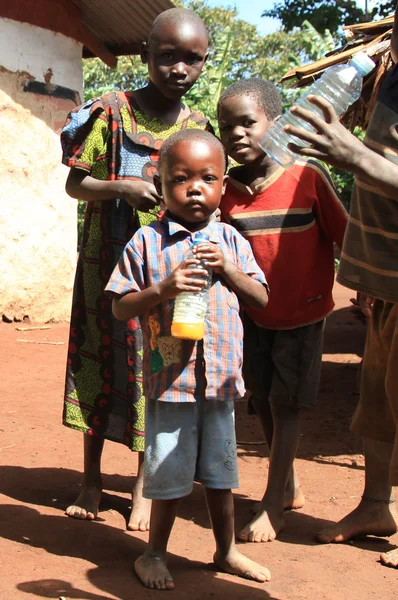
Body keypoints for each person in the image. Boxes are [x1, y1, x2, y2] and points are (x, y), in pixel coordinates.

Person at [61, 7, 212, 530]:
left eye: (192, 60)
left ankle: (145, 487)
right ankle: (92, 478)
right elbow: (75, 183)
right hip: (107, 265)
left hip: (167, 277)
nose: (178, 69)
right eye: (167, 56)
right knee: (101, 361)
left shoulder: (197, 129)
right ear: (147, 55)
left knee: (159, 370)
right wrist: (119, 187)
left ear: (203, 64)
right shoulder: (110, 111)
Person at [106, 129, 271, 589]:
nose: (195, 188)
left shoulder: (232, 242)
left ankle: (226, 551)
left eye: (208, 178)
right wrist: (164, 288)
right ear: (159, 185)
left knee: (221, 474)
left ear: (223, 186)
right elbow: (120, 305)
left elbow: (259, 298)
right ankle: (153, 554)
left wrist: (229, 268)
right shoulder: (145, 242)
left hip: (218, 383)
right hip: (170, 383)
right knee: (169, 475)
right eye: (180, 179)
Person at [283, 0, 398, 570]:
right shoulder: (392, 78)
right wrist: (368, 275)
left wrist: (353, 155)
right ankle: (376, 505)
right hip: (389, 282)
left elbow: (375, 167)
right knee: (377, 406)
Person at [217, 78, 348, 543]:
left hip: (303, 313)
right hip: (253, 316)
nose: (236, 134)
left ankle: (273, 506)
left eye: (247, 122)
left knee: (287, 405)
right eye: (226, 125)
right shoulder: (226, 194)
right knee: (264, 400)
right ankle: (286, 482)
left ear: (274, 122)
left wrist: (368, 288)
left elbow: (344, 235)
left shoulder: (306, 177)